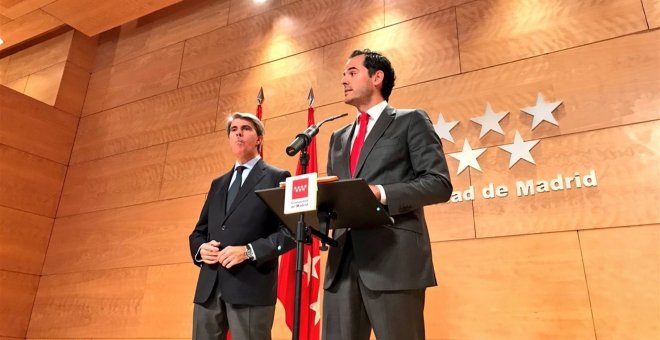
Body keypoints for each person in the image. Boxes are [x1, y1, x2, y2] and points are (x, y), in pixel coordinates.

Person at [322, 49, 453, 340]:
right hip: (342, 264)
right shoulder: (337, 138)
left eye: (352, 72)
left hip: (393, 260)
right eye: (343, 74)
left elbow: (439, 183)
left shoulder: (410, 121)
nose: (343, 79)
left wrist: (379, 193)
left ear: (377, 77)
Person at [189, 112, 294, 340]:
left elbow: (290, 233)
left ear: (259, 139)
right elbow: (199, 232)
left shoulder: (277, 177)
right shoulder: (217, 184)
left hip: (251, 286)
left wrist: (248, 251)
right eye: (233, 129)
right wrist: (201, 249)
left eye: (245, 128)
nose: (238, 132)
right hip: (209, 286)